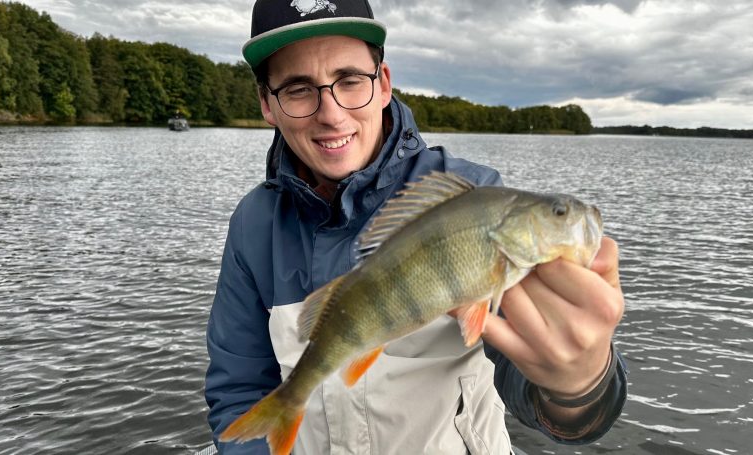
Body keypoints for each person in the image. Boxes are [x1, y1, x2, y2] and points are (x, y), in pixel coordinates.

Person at [205, 0, 628, 453]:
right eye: (298, 89)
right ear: (267, 104)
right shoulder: (253, 224)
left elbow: (531, 385)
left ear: (383, 84)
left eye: (350, 80)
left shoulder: (475, 197)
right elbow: (239, 388)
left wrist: (578, 388)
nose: (331, 113)